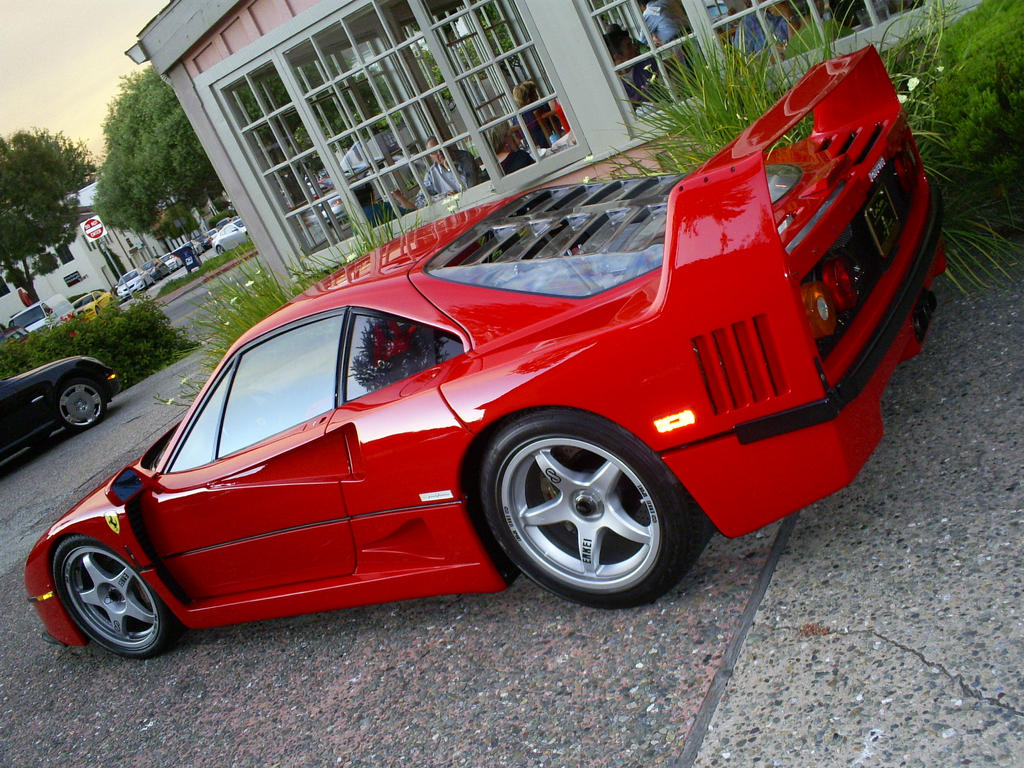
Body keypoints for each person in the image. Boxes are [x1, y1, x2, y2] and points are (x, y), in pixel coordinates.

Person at [392, 137, 481, 209]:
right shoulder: (432, 174)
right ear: (431, 157)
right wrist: (443, 196)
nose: (439, 153)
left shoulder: (465, 157)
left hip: (478, 198)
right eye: (434, 152)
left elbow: (469, 185)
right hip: (456, 208)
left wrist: (451, 167)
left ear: (447, 146)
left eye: (441, 148)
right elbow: (420, 202)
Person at [603, 25, 656, 108]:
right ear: (617, 57)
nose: (635, 46)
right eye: (628, 45)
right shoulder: (610, 84)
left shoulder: (648, 63)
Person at [512, 80, 554, 150]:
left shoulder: (516, 118)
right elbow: (555, 122)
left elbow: (519, 137)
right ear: (532, 96)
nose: (537, 95)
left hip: (535, 150)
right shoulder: (542, 106)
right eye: (535, 93)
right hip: (552, 142)